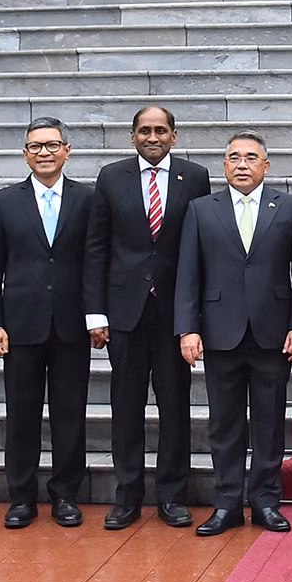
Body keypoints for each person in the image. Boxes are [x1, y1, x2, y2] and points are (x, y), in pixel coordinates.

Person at [176, 131, 292, 536]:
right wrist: (188, 328)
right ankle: (226, 504)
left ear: (265, 166)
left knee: (269, 422)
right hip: (220, 333)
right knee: (225, 423)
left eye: (251, 157)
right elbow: (188, 275)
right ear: (224, 165)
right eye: (234, 157)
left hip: (273, 334)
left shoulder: (289, 207)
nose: (241, 164)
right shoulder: (202, 209)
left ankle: (266, 501)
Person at [85, 105, 211, 530]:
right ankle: (127, 497)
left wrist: (195, 316)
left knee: (175, 406)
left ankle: (172, 496)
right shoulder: (110, 177)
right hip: (125, 313)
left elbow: (200, 248)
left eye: (160, 130)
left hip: (174, 313)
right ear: (132, 136)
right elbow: (97, 248)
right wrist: (95, 314)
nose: (152, 137)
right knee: (126, 407)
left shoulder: (194, 178)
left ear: (175, 135)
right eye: (144, 130)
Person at [0, 118, 93, 529]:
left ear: (67, 149)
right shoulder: (2, 202)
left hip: (71, 325)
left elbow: (95, 264)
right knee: (22, 415)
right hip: (20, 325)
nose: (43, 153)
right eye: (35, 147)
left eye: (51, 145)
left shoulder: (88, 200)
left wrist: (96, 317)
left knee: (69, 414)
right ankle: (21, 498)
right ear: (25, 153)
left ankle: (66, 495)